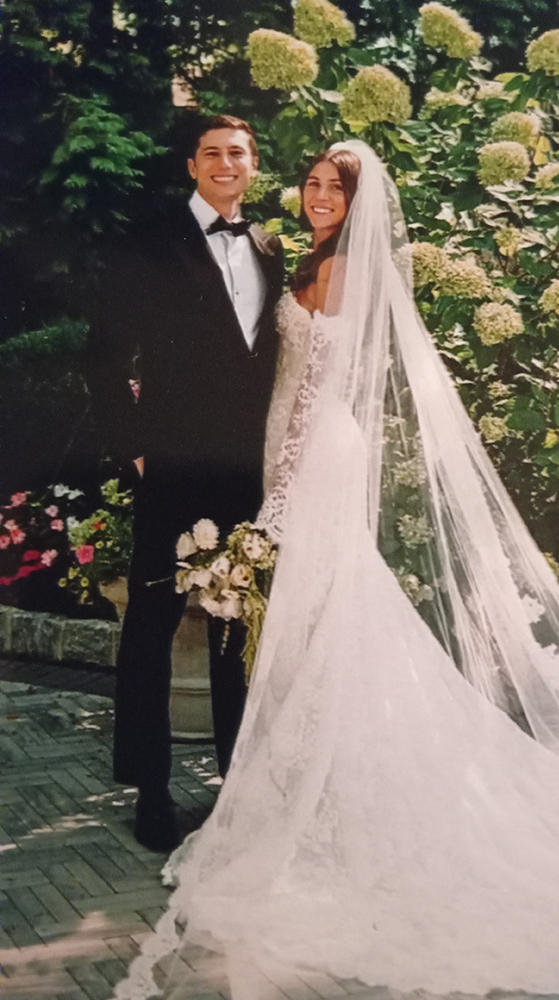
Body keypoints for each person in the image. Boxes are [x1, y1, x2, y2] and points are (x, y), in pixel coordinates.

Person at [111, 142, 559, 1000]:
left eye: (333, 188)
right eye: (311, 183)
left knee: (315, 615)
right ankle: (286, 782)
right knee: (299, 623)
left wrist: (282, 496)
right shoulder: (287, 255)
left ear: (359, 201)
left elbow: (315, 394)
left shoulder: (335, 273)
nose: (317, 196)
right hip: (253, 460)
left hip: (306, 462)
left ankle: (322, 794)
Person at [88, 114, 284, 852]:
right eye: (212, 153)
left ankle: (236, 780)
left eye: (238, 152)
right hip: (169, 466)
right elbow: (103, 351)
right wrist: (132, 449)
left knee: (239, 625)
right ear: (192, 165)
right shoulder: (150, 242)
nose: (225, 163)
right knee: (152, 625)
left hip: (244, 472)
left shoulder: (269, 246)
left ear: (253, 164)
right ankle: (150, 787)